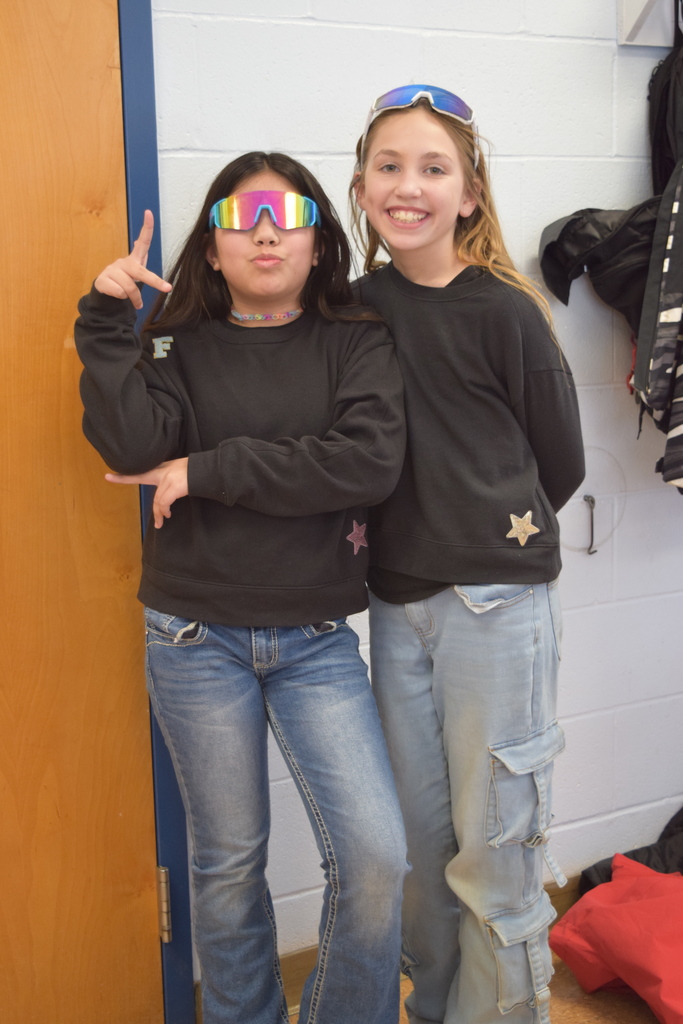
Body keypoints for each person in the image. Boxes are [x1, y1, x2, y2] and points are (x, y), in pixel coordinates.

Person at [75, 151, 408, 1024]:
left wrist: (210, 468)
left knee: (376, 860)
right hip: (192, 639)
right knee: (227, 868)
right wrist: (109, 322)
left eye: (285, 216)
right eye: (240, 219)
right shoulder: (171, 343)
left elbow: (366, 464)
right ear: (212, 247)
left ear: (316, 239)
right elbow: (128, 449)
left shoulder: (356, 338)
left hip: (315, 642)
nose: (264, 233)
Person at [348, 86, 586, 1024]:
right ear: (362, 187)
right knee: (417, 843)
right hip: (391, 602)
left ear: (470, 192)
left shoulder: (505, 313)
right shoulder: (351, 310)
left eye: (433, 168)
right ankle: (434, 1009)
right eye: (389, 166)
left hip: (496, 601)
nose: (410, 186)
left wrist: (483, 532)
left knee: (494, 845)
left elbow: (556, 461)